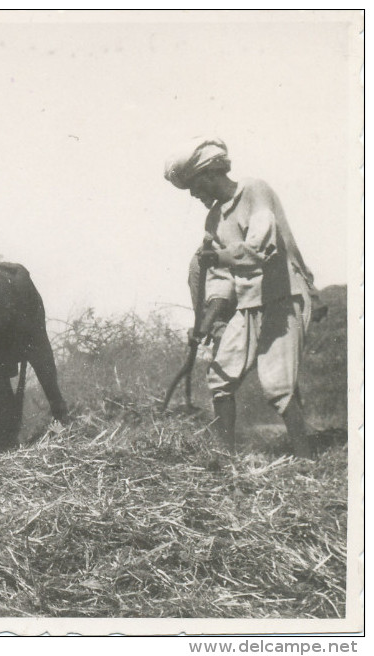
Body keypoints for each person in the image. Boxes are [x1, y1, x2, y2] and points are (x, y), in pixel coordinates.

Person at [164, 138, 323, 458]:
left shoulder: (254, 191)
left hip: (281, 299)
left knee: (278, 385)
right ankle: (225, 458)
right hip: (249, 305)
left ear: (209, 174)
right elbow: (221, 283)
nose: (194, 195)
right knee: (220, 376)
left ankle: (307, 459)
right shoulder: (213, 220)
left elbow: (262, 249)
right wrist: (206, 324)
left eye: (194, 187)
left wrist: (218, 258)